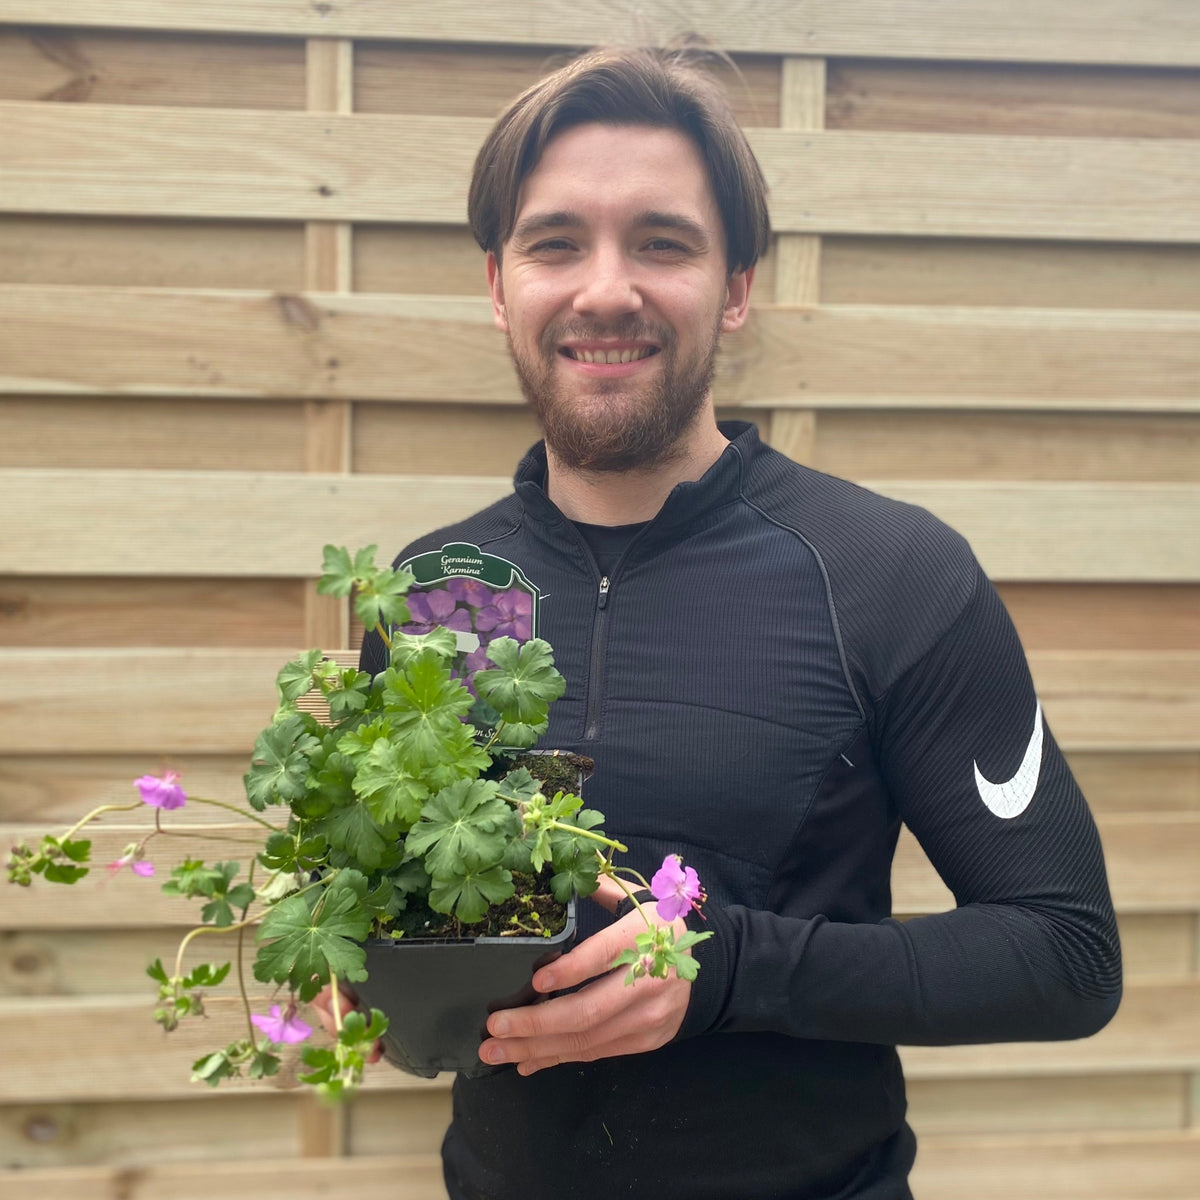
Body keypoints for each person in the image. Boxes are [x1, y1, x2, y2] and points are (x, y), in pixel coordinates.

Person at [320, 46, 1121, 1199]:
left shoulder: (892, 573)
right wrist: (374, 975)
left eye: (662, 241)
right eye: (557, 243)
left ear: (736, 285)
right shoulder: (434, 587)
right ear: (499, 285)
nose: (606, 289)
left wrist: (725, 970)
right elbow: (432, 950)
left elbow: (1065, 955)